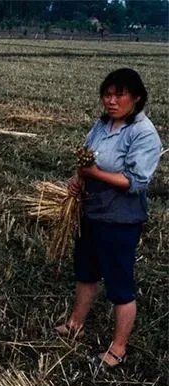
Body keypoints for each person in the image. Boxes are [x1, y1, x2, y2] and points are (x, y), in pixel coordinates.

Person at [55, 68, 162, 368]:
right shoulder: (102, 125)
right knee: (86, 271)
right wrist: (78, 179)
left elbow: (135, 182)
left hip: (120, 219)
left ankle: (118, 348)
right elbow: (86, 159)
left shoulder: (143, 133)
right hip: (91, 210)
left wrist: (94, 173)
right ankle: (75, 325)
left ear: (136, 97)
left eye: (119, 95)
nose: (111, 101)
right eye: (107, 94)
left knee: (119, 283)